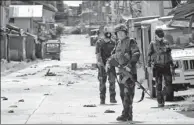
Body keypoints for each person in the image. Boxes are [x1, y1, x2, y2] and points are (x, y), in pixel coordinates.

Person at [106, 24, 140, 121]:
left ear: (125, 33)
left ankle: (126, 114)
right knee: (122, 94)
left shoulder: (131, 41)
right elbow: (112, 55)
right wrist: (109, 63)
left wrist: (129, 65)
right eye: (118, 33)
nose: (120, 34)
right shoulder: (118, 43)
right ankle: (128, 114)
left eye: (122, 32)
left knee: (128, 93)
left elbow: (136, 53)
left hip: (129, 72)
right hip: (120, 72)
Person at [148, 28, 174, 107]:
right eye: (159, 36)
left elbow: (169, 54)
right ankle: (160, 101)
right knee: (158, 84)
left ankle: (163, 94)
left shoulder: (166, 42)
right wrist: (148, 65)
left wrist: (172, 64)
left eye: (162, 36)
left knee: (169, 84)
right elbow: (149, 54)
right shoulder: (152, 44)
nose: (161, 37)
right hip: (157, 66)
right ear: (155, 35)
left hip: (166, 65)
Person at [95, 30, 117, 105]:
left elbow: (115, 54)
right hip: (102, 64)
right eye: (106, 39)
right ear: (104, 37)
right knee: (102, 82)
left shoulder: (113, 42)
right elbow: (98, 55)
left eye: (109, 39)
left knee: (112, 81)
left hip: (111, 63)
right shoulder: (99, 42)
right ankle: (102, 99)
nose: (108, 40)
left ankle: (112, 98)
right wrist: (101, 65)